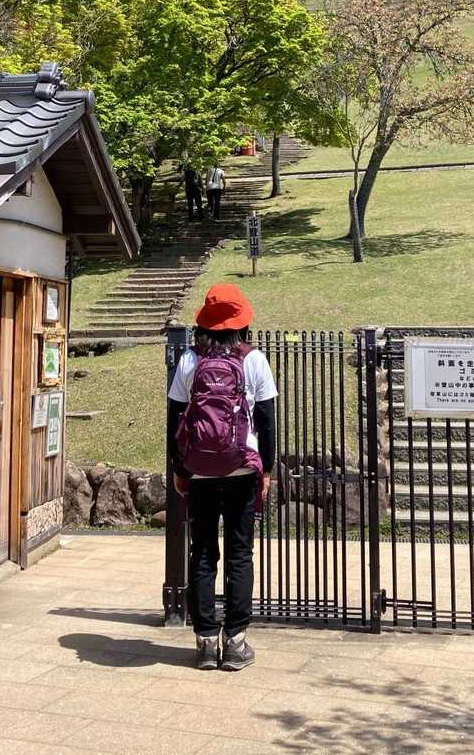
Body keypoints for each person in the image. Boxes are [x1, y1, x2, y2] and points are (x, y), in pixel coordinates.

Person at [167, 284, 276, 671]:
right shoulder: (254, 360)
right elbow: (267, 420)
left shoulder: (189, 360)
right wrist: (267, 470)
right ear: (241, 323)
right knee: (239, 553)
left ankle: (205, 642)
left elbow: (175, 421)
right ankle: (235, 643)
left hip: (199, 471)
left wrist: (180, 469)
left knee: (201, 552)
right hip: (242, 467)